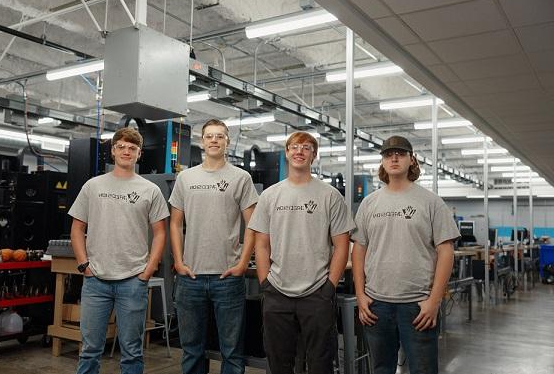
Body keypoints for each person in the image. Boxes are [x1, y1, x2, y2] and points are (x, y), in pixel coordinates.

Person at [351, 135, 460, 374]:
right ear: (382, 162)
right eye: (388, 155)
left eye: (400, 153)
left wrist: (434, 300)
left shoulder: (431, 202)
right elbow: (359, 249)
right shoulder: (369, 204)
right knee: (380, 369)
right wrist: (360, 294)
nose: (394, 158)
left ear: (412, 160)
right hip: (376, 304)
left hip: (417, 305)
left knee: (423, 369)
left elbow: (446, 251)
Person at [249, 131, 355, 374]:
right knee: (279, 363)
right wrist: (265, 283)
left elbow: (342, 245)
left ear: (314, 155)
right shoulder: (269, 196)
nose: (300, 151)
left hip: (317, 294)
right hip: (277, 292)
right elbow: (261, 243)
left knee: (320, 363)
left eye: (306, 147)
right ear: (287, 153)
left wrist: (329, 286)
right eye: (294, 146)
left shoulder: (330, 196)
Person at [69, 127, 170, 374]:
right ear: (113, 151)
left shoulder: (150, 190)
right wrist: (84, 265)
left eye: (132, 148)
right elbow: (77, 228)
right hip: (96, 282)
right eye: (122, 147)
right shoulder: (92, 186)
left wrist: (149, 269)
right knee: (90, 349)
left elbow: (160, 233)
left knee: (132, 352)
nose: (127, 151)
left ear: (139, 154)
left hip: (132, 282)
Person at [169, 119, 259, 374]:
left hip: (227, 277)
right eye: (209, 136)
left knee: (231, 351)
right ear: (202, 141)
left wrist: (242, 263)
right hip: (190, 277)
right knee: (192, 350)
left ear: (227, 141)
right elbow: (175, 224)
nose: (214, 140)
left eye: (220, 136)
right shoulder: (185, 178)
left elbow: (253, 225)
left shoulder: (241, 178)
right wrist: (178, 262)